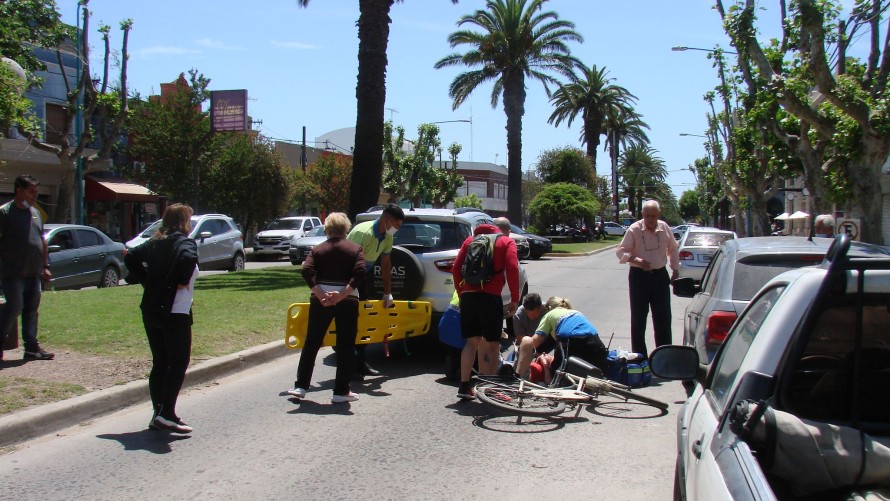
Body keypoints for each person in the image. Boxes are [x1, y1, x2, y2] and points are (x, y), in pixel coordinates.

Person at [124, 203, 199, 434]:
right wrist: (179, 280)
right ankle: (166, 413)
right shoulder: (185, 242)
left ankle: (160, 414)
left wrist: (148, 281)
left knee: (160, 362)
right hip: (175, 312)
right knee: (178, 362)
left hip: (152, 309)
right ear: (184, 221)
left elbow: (130, 257)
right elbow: (187, 262)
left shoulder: (155, 241)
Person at [288, 212, 365, 403]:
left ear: (327, 229)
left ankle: (301, 386)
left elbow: (306, 270)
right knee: (346, 345)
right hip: (348, 301)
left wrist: (320, 293)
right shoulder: (355, 249)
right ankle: (341, 391)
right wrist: (342, 294)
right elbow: (360, 272)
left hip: (320, 301)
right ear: (346, 229)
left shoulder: (318, 249)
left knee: (312, 342)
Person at [452, 222, 520, 399]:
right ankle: (489, 389)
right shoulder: (506, 242)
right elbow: (513, 268)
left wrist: (462, 293)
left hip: (467, 296)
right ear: (505, 231)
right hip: (490, 298)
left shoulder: (470, 240)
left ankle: (464, 386)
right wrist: (514, 298)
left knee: (471, 342)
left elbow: (456, 269)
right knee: (492, 344)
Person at [615, 200, 680, 359]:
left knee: (663, 317)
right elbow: (621, 251)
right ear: (642, 215)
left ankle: (664, 357)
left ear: (659, 214)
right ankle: (640, 358)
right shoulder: (634, 229)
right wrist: (637, 261)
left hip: (660, 276)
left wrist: (675, 269)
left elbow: (673, 248)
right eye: (647, 216)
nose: (650, 219)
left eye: (653, 215)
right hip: (639, 277)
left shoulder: (664, 227)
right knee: (638, 318)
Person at [0, 175, 54, 361]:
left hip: (34, 271)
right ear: (19, 190)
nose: (34, 196)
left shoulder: (35, 213)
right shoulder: (5, 212)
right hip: (12, 272)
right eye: (31, 192)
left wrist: (45, 265)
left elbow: (42, 240)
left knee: (31, 310)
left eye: (36, 192)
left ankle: (31, 348)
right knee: (14, 308)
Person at [346, 203, 404, 377]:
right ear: (386, 220)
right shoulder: (363, 233)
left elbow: (386, 264)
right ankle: (351, 364)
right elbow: (348, 262)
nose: (397, 229)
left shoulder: (387, 237)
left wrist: (388, 292)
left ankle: (360, 362)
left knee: (364, 319)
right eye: (396, 225)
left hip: (363, 275)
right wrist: (349, 289)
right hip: (346, 276)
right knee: (351, 320)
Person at [514, 296, 608, 379]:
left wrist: (523, 351)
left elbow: (534, 342)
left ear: (548, 308)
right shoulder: (576, 312)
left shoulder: (548, 315)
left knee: (555, 377)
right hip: (596, 344)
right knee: (593, 375)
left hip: (572, 342)